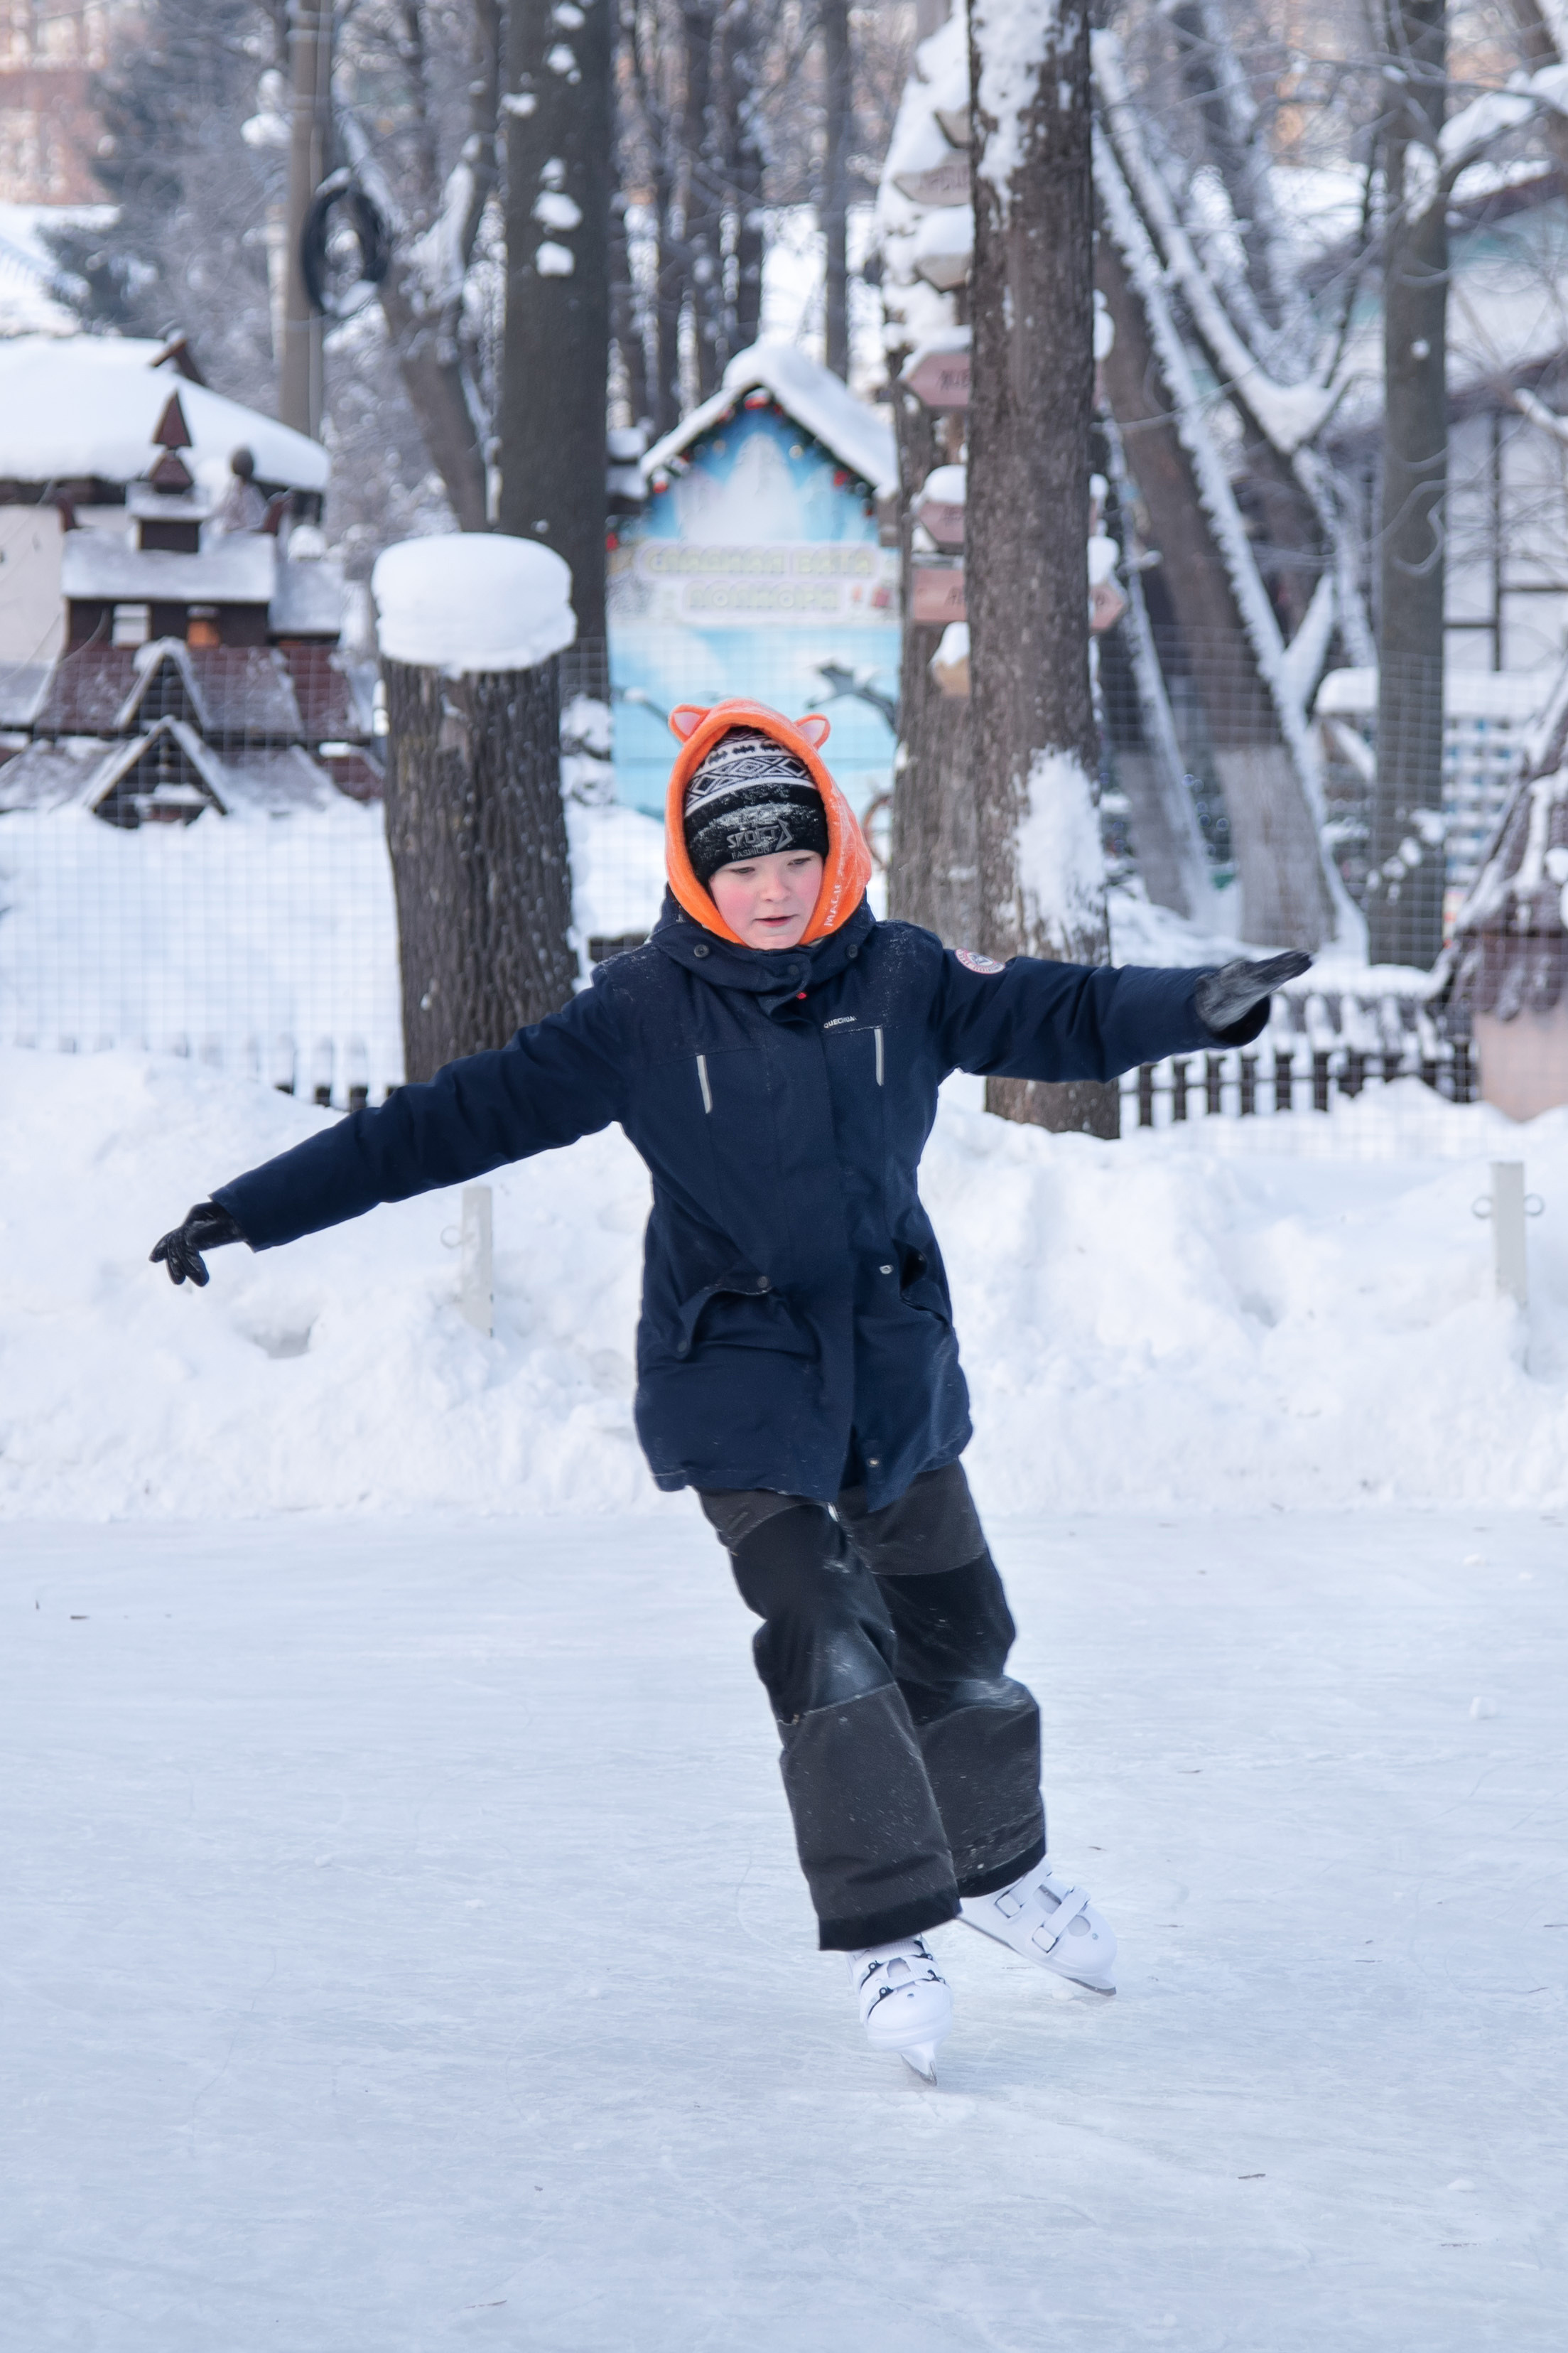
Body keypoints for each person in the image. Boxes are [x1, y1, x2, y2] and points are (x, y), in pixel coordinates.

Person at [151, 699, 1306, 2082]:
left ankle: (1000, 1874)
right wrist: (253, 1208)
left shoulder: (905, 974)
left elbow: (1058, 1011)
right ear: (699, 871)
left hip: (893, 1370)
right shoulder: (643, 1014)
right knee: (826, 1632)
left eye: (796, 858)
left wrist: (1201, 1003)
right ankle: (890, 1928)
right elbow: (446, 1121)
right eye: (744, 865)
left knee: (962, 1636)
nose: (774, 889)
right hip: (739, 1382)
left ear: (836, 851)